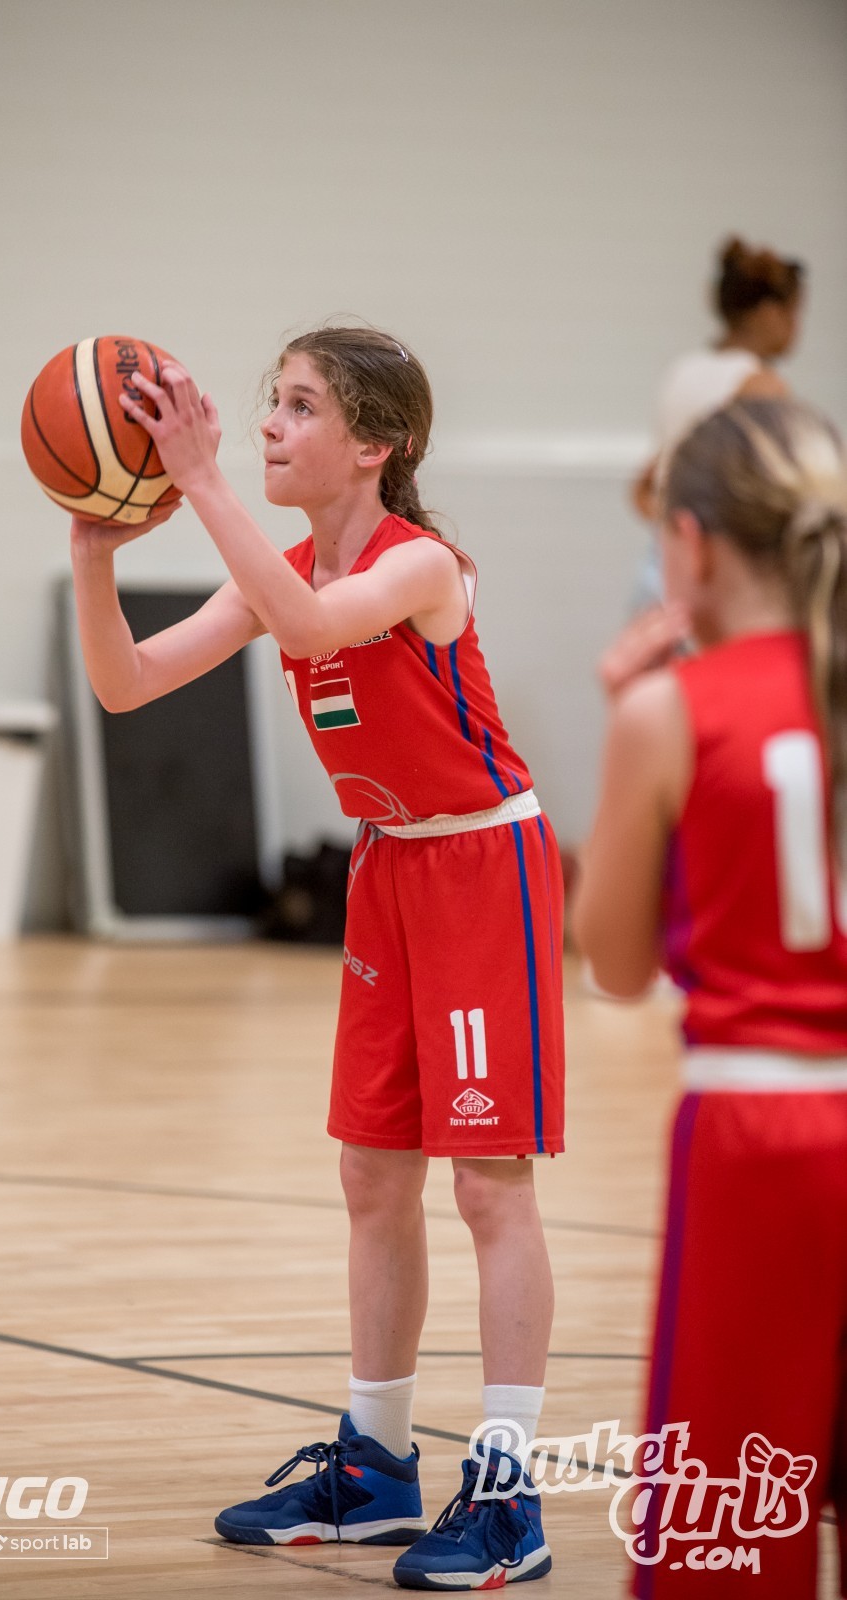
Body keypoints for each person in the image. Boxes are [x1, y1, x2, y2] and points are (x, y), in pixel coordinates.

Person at [68, 325, 565, 1590]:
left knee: (489, 1185)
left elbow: (304, 622)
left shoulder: (420, 566)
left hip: (482, 867)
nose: (269, 425)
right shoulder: (281, 570)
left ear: (376, 444)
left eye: (298, 406)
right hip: (388, 871)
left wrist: (199, 479)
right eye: (270, 402)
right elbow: (124, 682)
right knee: (372, 1173)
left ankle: (510, 1490)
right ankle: (378, 1464)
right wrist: (93, 550)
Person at [574, 397, 847, 1597]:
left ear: (689, 543)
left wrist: (621, 732)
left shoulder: (668, 711)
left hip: (762, 1137)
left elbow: (615, 963)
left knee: (728, 1543)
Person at [628, 238, 806, 611]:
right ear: (768, 312)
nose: (796, 329)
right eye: (793, 314)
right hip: (722, 570)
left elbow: (645, 486)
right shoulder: (761, 386)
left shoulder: (681, 372)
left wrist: (673, 523)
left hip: (665, 558)